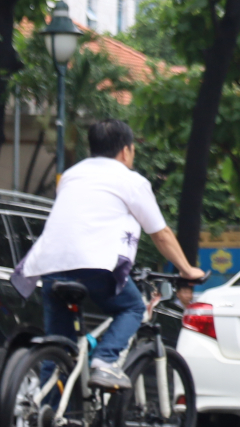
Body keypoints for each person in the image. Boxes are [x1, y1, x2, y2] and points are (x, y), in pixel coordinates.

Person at [16, 119, 205, 389]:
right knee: (133, 307)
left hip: (48, 265)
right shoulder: (131, 181)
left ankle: (48, 419)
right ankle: (104, 361)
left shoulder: (71, 175)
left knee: (60, 348)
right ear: (126, 151)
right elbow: (161, 234)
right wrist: (187, 270)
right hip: (95, 266)